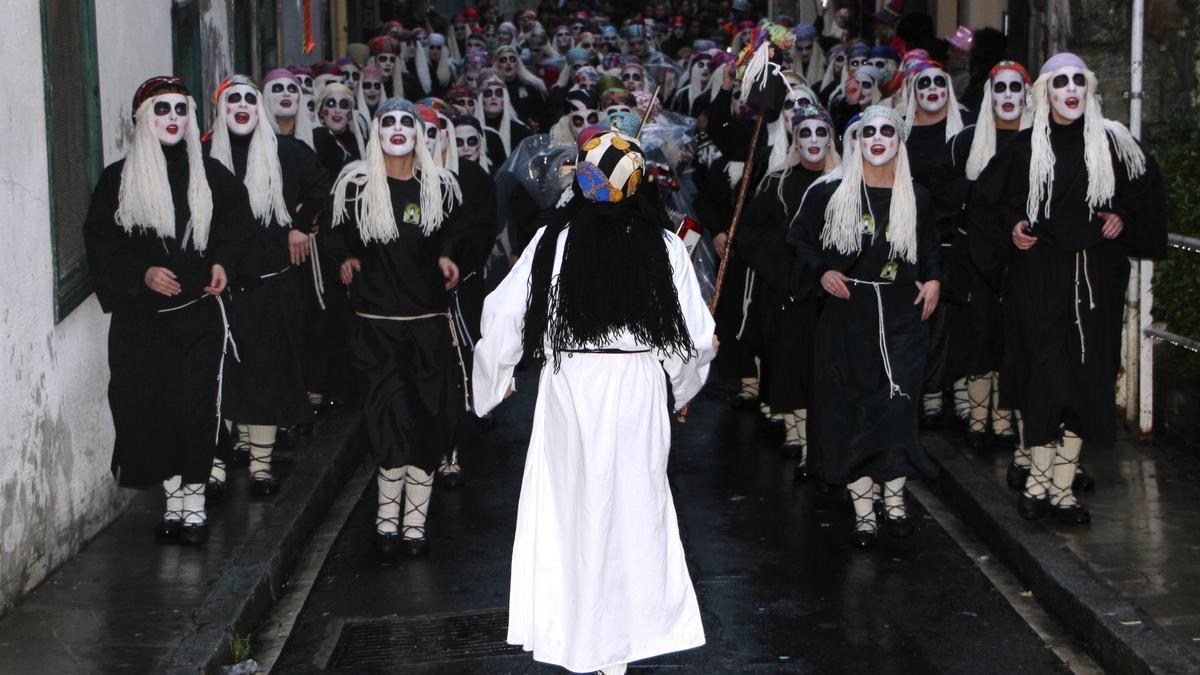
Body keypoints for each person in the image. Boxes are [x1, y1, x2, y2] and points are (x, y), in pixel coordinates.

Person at [472, 128, 714, 675]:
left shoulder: (552, 239)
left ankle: (583, 637)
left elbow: (506, 309)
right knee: (630, 511)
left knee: (574, 511)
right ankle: (615, 648)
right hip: (635, 390)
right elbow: (693, 337)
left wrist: (496, 375)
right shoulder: (665, 244)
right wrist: (682, 385)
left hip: (573, 387)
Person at [968, 53, 1167, 524]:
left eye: (1080, 81)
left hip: (1095, 281)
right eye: (1062, 82)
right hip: (1038, 282)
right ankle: (1037, 483)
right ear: (1046, 93)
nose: (1072, 89)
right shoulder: (1023, 150)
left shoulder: (1115, 144)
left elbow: (1145, 199)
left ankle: (1061, 489)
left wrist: (1123, 217)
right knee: (1045, 377)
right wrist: (1014, 226)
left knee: (1086, 380)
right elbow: (987, 205)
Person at [83, 76, 252, 545]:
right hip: (142, 324)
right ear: (142, 120)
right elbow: (102, 243)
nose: (173, 118)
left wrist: (222, 263)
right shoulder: (117, 180)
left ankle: (193, 507)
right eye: (162, 110)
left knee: (195, 411)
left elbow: (238, 224)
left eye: (180, 110)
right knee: (150, 411)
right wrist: (142, 274)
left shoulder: (210, 175)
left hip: (198, 318)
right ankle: (174, 500)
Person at [790, 106, 942, 548]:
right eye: (868, 132)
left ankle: (893, 500)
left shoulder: (917, 196)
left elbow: (931, 245)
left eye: (887, 131)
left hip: (901, 313)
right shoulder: (830, 193)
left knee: (896, 407)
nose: (877, 139)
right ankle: (863, 512)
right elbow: (799, 238)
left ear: (899, 140)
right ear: (857, 141)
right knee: (853, 407)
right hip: (848, 312)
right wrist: (821, 272)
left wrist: (933, 278)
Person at [323, 98, 466, 559]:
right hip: (376, 328)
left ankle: (415, 525)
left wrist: (448, 257)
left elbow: (454, 235)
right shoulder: (354, 186)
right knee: (386, 421)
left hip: (427, 327)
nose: (400, 129)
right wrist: (344, 258)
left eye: (408, 122)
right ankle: (387, 522)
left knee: (426, 421)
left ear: (420, 134)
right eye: (390, 122)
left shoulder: (440, 188)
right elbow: (333, 232)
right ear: (377, 131)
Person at [204, 75, 331, 497]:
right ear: (220, 109)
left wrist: (300, 226)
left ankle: (261, 464)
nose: (241, 105)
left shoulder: (287, 152)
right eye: (232, 99)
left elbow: (323, 191)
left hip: (272, 285)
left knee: (268, 374)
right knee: (220, 377)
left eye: (248, 98)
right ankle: (217, 462)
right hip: (218, 291)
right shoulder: (204, 157)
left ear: (258, 107)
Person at [736, 104, 839, 471]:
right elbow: (747, 236)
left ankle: (821, 440)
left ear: (831, 138)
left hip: (832, 295)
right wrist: (780, 274)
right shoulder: (776, 183)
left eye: (820, 132)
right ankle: (797, 434)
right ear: (794, 138)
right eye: (805, 132)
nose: (813, 140)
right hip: (786, 292)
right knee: (791, 362)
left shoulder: (844, 183)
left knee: (824, 366)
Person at [938, 61, 1032, 452]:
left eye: (1015, 89)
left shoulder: (1039, 141)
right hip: (975, 257)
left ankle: (1007, 418)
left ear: (1027, 95)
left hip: (1025, 256)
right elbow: (943, 191)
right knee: (979, 336)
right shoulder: (965, 142)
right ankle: (979, 419)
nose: (1007, 97)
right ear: (988, 94)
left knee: (1015, 338)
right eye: (1000, 88)